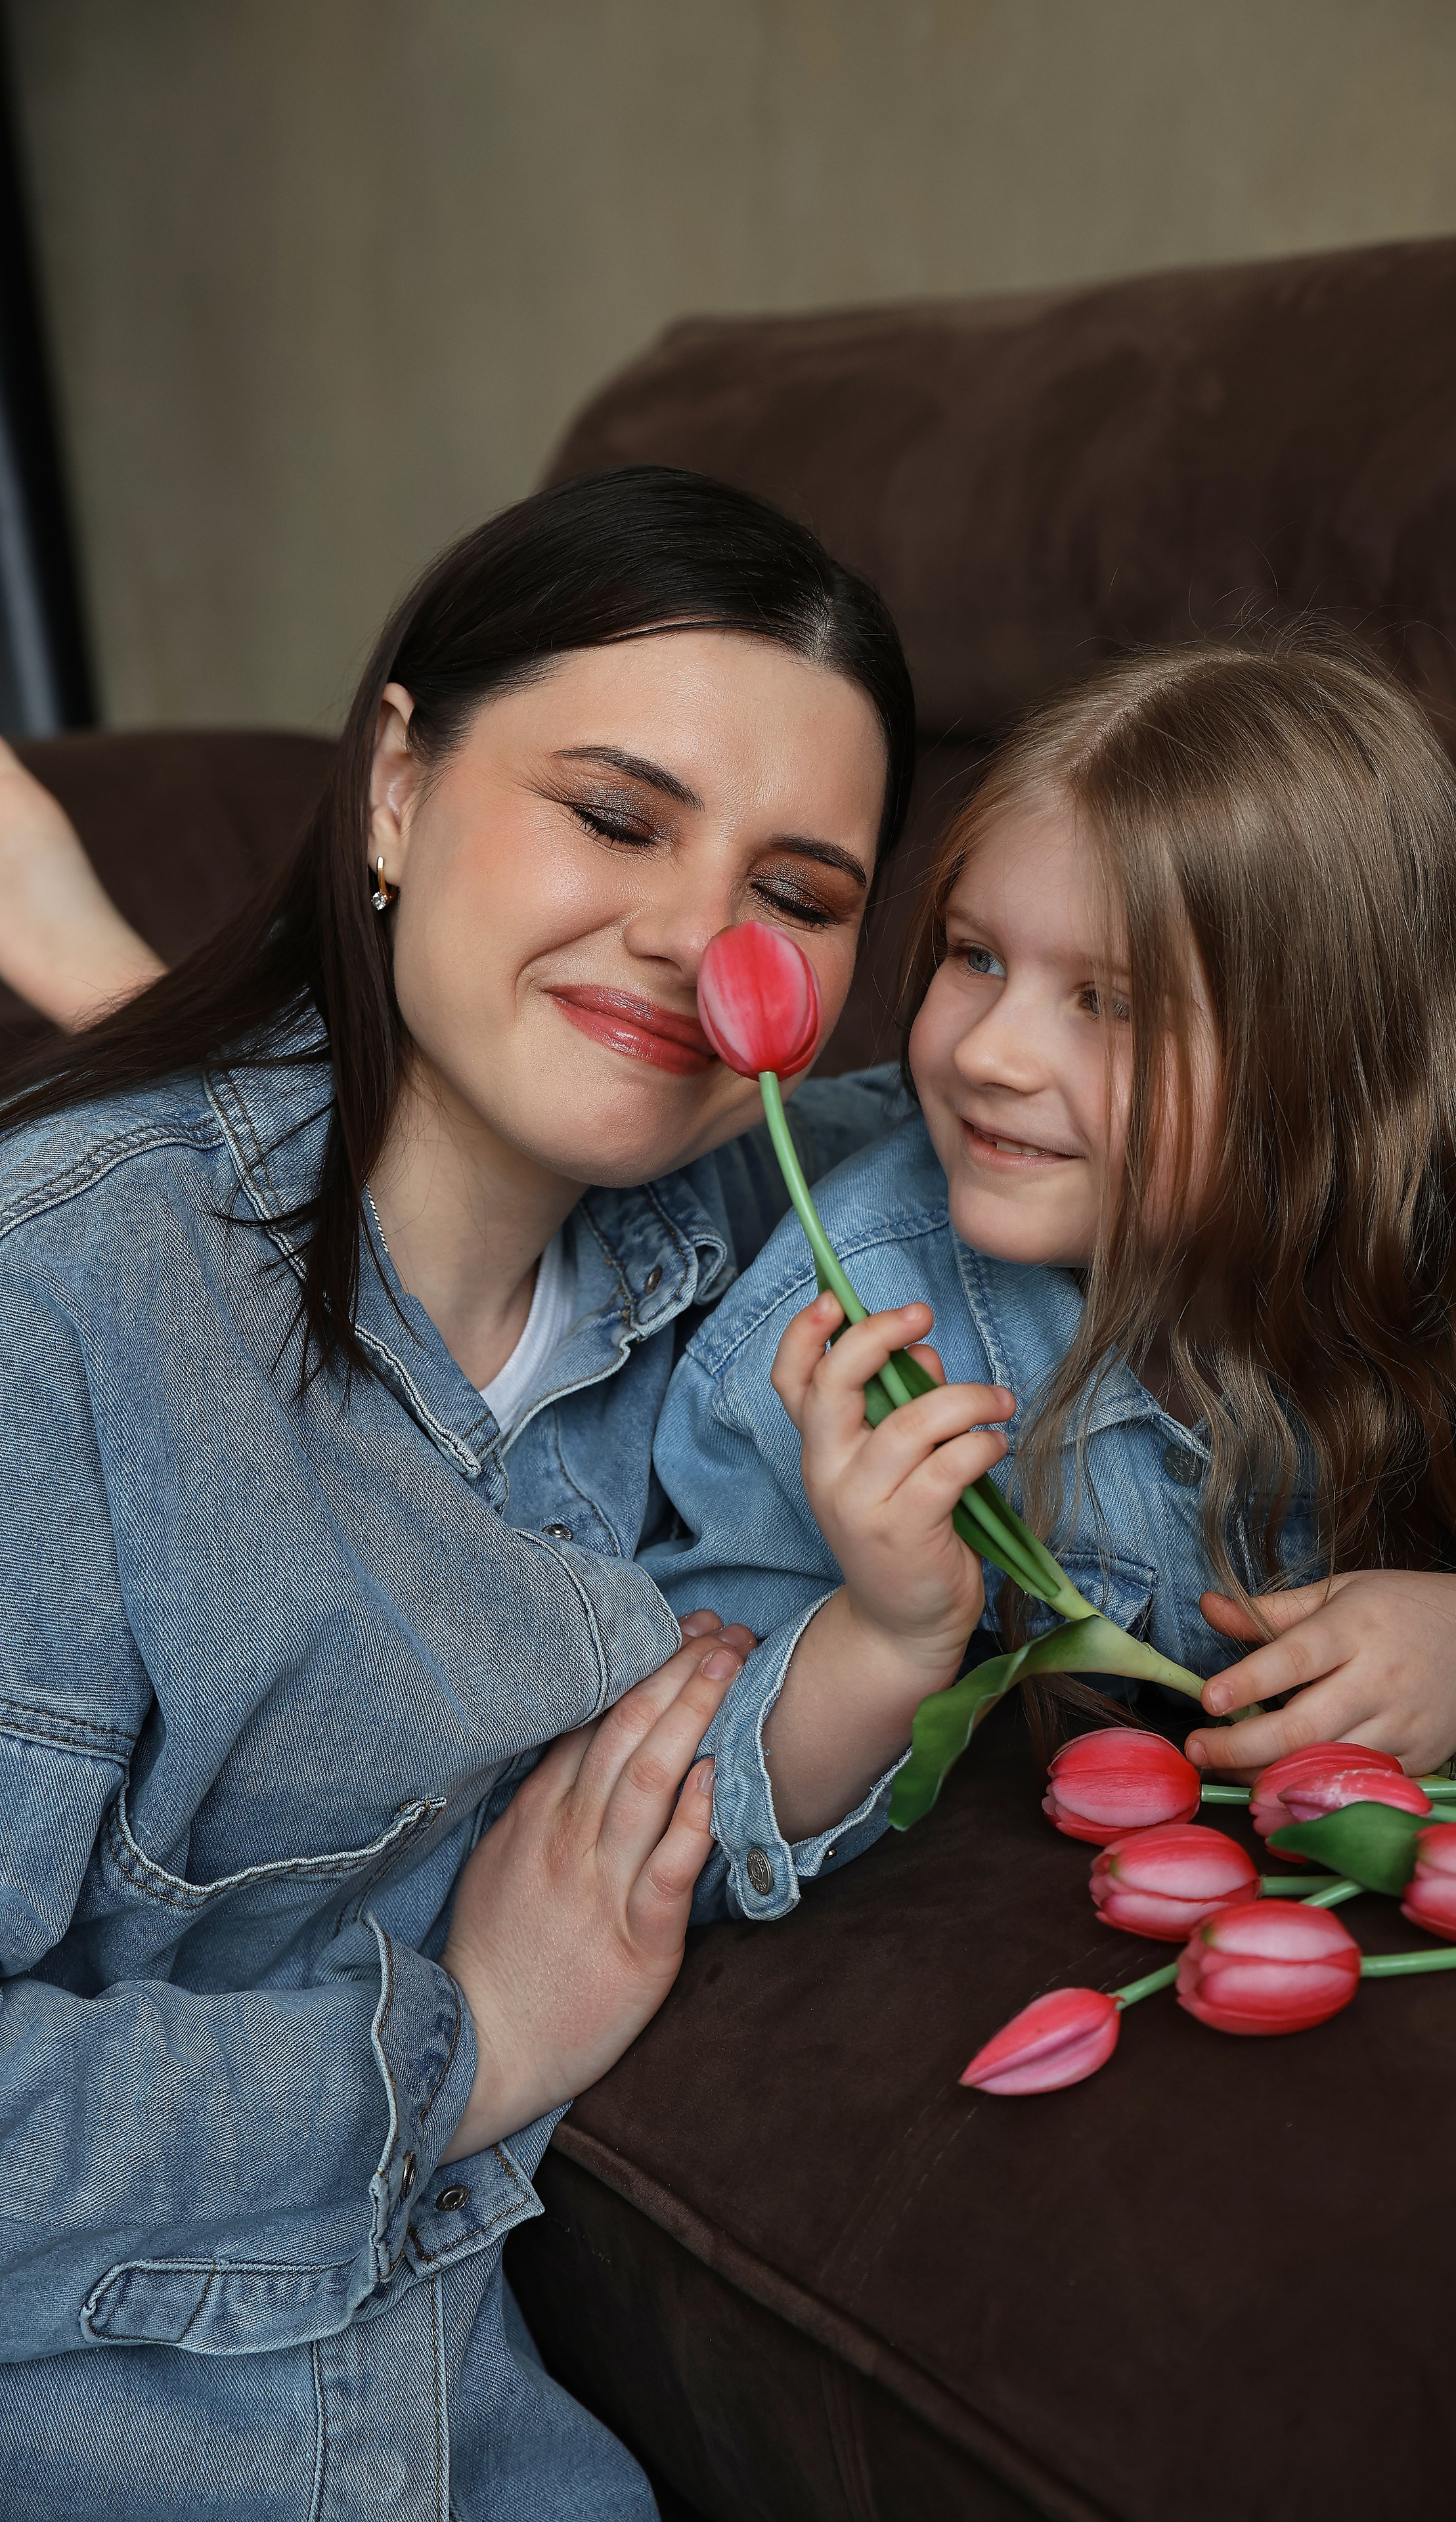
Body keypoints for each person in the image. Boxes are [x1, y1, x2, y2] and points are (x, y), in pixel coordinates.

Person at [0, 465, 925, 2521]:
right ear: (396, 789)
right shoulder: (61, 1313)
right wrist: (464, 2047)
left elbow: (1181, 1199)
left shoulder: (770, 1251)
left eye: (802, 894)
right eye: (615, 816)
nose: (703, 942)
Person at [644, 629, 1456, 1854]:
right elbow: (687, 1807)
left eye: (1111, 1003)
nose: (987, 1052)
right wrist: (888, 1633)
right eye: (976, 956)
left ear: (1339, 1071)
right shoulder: (838, 1332)